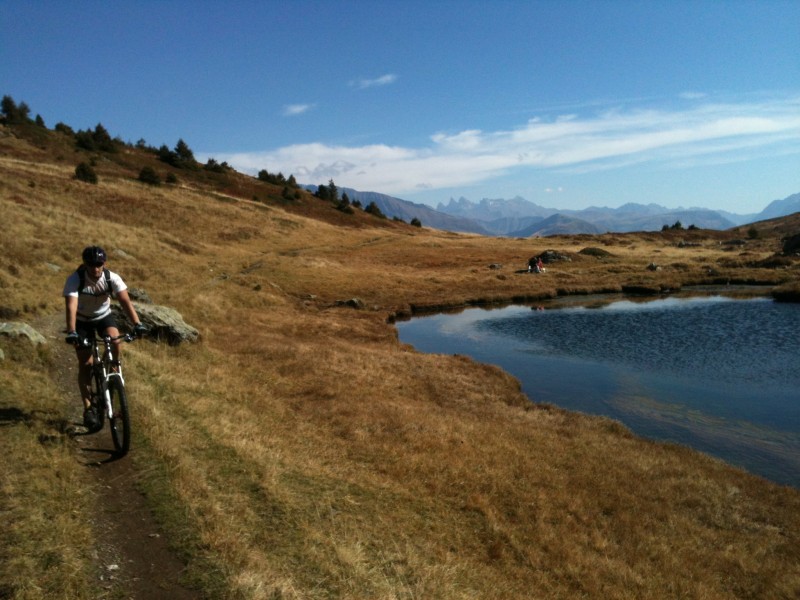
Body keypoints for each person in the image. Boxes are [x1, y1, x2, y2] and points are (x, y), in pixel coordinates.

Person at [63, 246, 147, 430]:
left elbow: (125, 301)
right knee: (85, 364)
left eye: (99, 264)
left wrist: (137, 324)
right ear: (85, 264)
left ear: (104, 263)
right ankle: (88, 409)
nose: (95, 268)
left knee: (115, 340)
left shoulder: (111, 278)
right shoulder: (75, 280)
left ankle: (114, 368)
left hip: (103, 317)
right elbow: (71, 306)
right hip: (81, 321)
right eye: (92, 264)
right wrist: (72, 332)